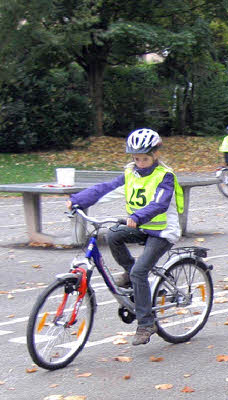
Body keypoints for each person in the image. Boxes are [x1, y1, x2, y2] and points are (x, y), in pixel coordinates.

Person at [67, 128, 185, 346]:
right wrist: (78, 200)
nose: (140, 162)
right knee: (113, 235)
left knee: (141, 272)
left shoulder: (164, 176)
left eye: (145, 158)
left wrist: (139, 216)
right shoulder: (131, 173)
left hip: (162, 231)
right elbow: (106, 188)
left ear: (155, 155)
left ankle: (146, 323)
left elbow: (159, 203)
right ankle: (129, 272)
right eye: (136, 158)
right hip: (140, 226)